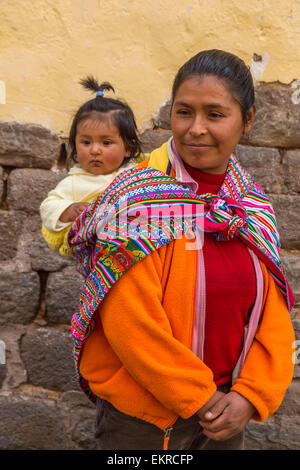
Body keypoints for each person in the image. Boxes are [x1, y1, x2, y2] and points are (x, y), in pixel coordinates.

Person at [68, 50, 295, 450]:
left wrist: (250, 396)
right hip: (144, 423)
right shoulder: (138, 201)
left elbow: (273, 314)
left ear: (249, 119)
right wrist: (201, 398)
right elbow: (130, 321)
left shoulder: (252, 209)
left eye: (215, 114)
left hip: (225, 419)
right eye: (184, 112)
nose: (196, 129)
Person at [40, 76, 144, 255]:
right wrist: (69, 210)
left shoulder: (137, 171)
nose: (95, 150)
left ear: (128, 148)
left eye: (106, 143)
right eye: (86, 142)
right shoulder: (75, 182)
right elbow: (48, 206)